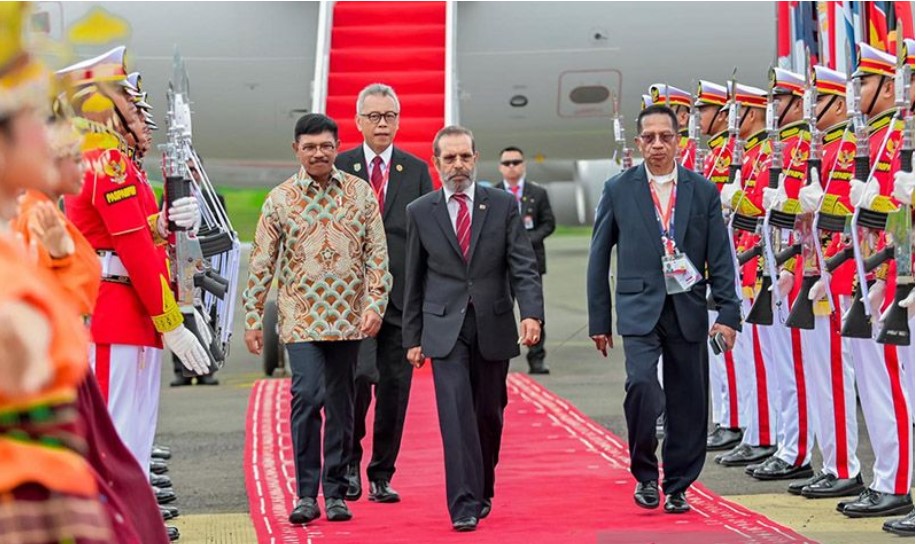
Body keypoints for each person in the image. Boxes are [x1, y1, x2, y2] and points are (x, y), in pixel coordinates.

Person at [587, 104, 741, 514]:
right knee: (641, 386)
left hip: (687, 305)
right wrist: (599, 320)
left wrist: (728, 314)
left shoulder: (702, 190)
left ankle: (678, 484)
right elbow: (598, 257)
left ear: (678, 141)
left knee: (688, 399)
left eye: (666, 137)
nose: (657, 144)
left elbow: (720, 258)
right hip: (638, 306)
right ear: (639, 143)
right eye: (650, 137)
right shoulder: (618, 189)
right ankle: (644, 473)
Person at [242, 113, 391, 526]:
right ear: (296, 150)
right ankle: (306, 494)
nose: (319, 153)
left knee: (343, 405)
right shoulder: (279, 200)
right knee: (307, 397)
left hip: (348, 320)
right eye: (310, 147)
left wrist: (375, 304)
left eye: (326, 146)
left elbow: (377, 256)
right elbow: (262, 262)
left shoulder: (360, 193)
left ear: (338, 147)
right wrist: (253, 317)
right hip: (301, 319)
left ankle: (336, 492)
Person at [402, 125, 543, 531]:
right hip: (444, 328)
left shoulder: (501, 205)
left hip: (492, 324)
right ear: (436, 163)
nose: (458, 165)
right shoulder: (420, 211)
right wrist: (413, 337)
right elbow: (414, 278)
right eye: (450, 158)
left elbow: (523, 265)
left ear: (476, 159)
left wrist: (531, 313)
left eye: (465, 157)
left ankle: (482, 486)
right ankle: (462, 503)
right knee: (455, 415)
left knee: (488, 414)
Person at [334, 83, 434, 502]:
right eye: (374, 116)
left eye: (389, 116)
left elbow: (430, 236)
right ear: (358, 121)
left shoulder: (415, 170)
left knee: (395, 390)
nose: (382, 124)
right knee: (357, 381)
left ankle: (381, 473)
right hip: (352, 301)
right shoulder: (340, 167)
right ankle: (348, 465)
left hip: (401, 300)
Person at [496, 145, 555, 374]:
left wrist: (526, 241)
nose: (512, 167)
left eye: (516, 162)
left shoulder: (537, 193)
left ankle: (537, 357)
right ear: (500, 167)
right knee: (500, 311)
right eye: (507, 163)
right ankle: (500, 356)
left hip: (530, 262)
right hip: (499, 264)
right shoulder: (492, 194)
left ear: (524, 165)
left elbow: (549, 223)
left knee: (533, 309)